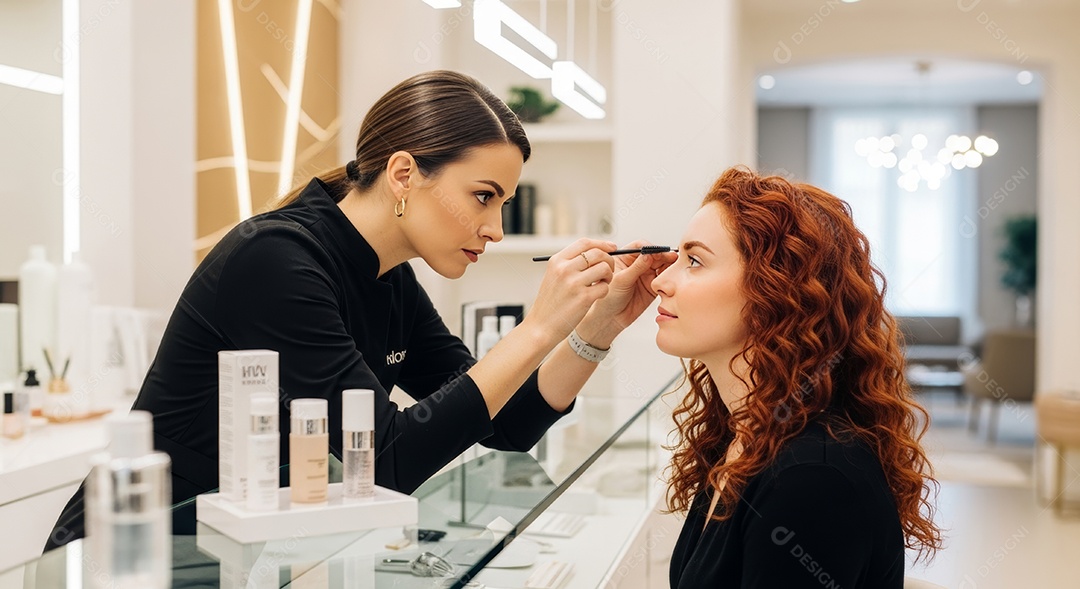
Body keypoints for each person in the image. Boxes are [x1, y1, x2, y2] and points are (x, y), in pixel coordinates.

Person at [45, 70, 669, 549]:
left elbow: (504, 425)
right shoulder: (274, 260)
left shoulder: (388, 277)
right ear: (404, 174)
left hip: (240, 552)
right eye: (483, 197)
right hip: (137, 554)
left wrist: (596, 328)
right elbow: (387, 461)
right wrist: (538, 329)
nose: (495, 228)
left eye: (502, 202)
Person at [653, 167, 943, 588]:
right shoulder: (741, 437)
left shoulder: (811, 480)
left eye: (694, 261)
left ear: (774, 290)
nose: (661, 281)